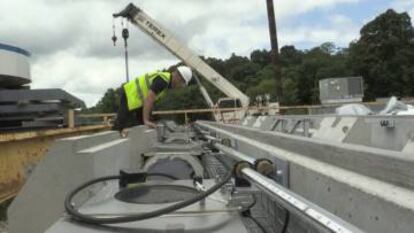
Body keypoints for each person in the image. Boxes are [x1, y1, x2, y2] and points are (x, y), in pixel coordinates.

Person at [113, 65, 192, 132]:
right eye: (182, 83)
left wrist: (147, 119)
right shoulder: (163, 81)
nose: (181, 86)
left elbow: (150, 101)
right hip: (130, 94)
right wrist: (146, 120)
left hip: (137, 99)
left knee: (142, 126)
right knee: (120, 124)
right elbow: (149, 98)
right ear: (178, 77)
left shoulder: (165, 82)